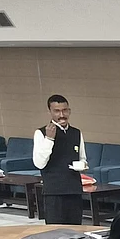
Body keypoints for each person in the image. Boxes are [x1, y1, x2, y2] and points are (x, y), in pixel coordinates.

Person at [32, 94, 88, 225]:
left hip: (74, 189)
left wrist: (83, 165)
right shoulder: (41, 133)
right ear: (50, 112)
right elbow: (39, 163)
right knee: (55, 232)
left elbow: (82, 158)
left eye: (65, 110)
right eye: (57, 111)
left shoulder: (76, 132)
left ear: (69, 111)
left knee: (75, 231)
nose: (62, 115)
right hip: (54, 191)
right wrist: (49, 139)